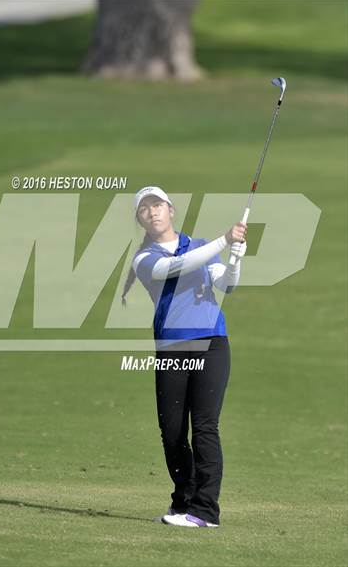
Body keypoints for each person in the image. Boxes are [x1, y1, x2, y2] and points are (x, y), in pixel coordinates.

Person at [121, 186, 247, 528]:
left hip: (212, 343)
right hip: (172, 347)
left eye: (158, 205)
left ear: (171, 209)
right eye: (145, 209)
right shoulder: (144, 258)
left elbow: (228, 284)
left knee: (205, 427)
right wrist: (223, 242)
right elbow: (176, 267)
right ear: (140, 219)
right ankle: (183, 501)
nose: (153, 212)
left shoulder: (201, 245)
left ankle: (206, 511)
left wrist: (235, 258)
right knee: (173, 431)